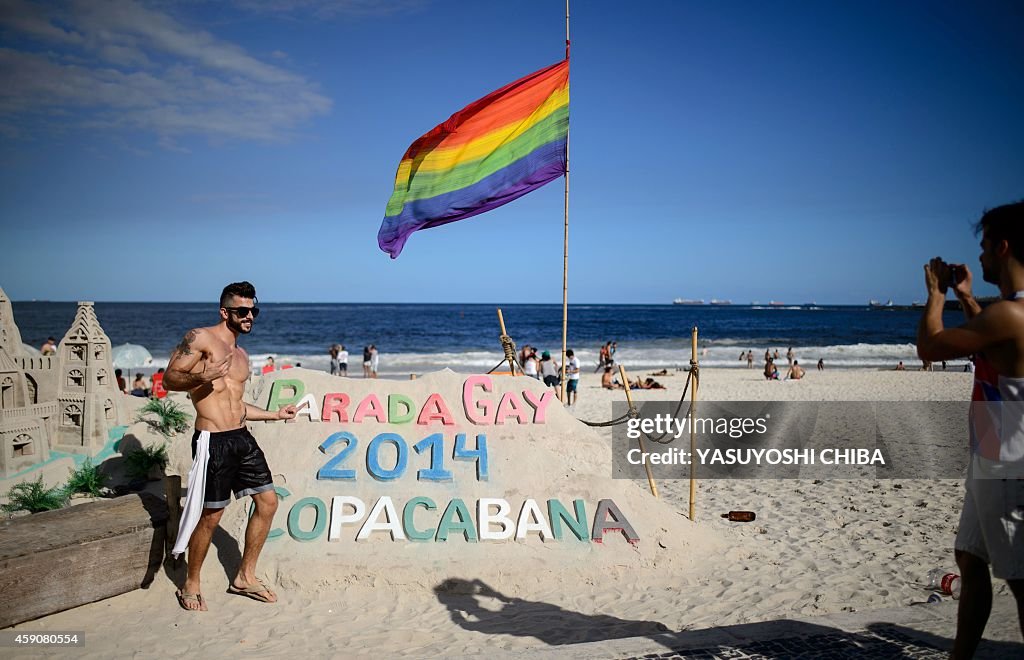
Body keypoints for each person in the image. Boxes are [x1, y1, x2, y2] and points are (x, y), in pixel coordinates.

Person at [915, 201, 1024, 658]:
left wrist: (936, 293)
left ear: (1002, 247)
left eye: (983, 248)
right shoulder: (1007, 313)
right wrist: (965, 295)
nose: (978, 258)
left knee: (1021, 581)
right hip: (993, 445)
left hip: (1008, 455)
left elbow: (929, 347)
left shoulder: (1011, 316)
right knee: (971, 559)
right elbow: (990, 336)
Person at [163, 281, 297, 612]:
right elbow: (169, 380)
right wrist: (203, 376)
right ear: (225, 312)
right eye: (242, 311)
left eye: (254, 310)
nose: (249, 316)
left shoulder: (242, 356)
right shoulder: (200, 338)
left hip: (241, 438)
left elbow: (237, 405)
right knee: (211, 515)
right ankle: (191, 584)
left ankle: (244, 577)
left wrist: (275, 415)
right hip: (213, 441)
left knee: (267, 502)